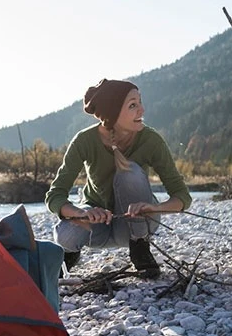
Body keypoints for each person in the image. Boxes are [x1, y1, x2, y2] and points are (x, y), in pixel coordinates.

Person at [46, 78, 192, 279]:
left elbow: (183, 197)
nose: (142, 110)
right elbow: (55, 196)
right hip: (98, 227)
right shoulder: (84, 141)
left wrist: (155, 208)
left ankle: (140, 247)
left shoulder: (151, 140)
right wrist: (80, 213)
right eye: (133, 105)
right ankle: (69, 256)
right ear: (113, 113)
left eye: (140, 102)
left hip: (139, 224)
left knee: (129, 172)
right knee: (65, 235)